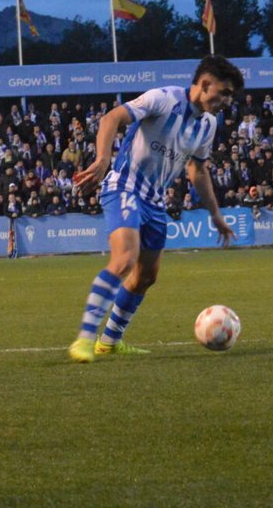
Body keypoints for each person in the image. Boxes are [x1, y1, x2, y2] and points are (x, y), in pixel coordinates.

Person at [67, 54, 244, 362]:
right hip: (124, 188)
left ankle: (109, 341)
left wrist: (215, 213)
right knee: (124, 260)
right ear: (204, 84)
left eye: (231, 95)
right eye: (224, 92)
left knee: (146, 276)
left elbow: (197, 170)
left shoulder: (208, 125)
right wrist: (103, 159)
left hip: (155, 201)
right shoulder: (163, 98)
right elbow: (112, 118)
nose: (227, 100)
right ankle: (84, 339)